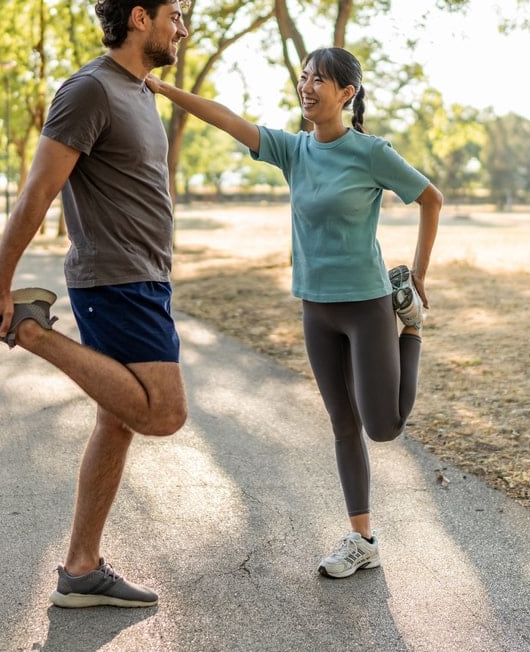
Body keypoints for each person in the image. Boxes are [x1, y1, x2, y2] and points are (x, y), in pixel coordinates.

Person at [146, 47, 443, 579]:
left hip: (369, 305)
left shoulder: (371, 153)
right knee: (342, 424)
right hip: (316, 309)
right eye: (304, 78)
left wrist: (419, 276)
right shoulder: (293, 150)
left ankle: (412, 326)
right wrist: (166, 90)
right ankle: (362, 539)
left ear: (346, 94)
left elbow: (430, 198)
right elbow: (229, 120)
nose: (307, 87)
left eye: (320, 81)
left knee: (384, 427)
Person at [0, 0, 191, 608]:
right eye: (175, 16)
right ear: (140, 18)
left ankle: (81, 570)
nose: (182, 29)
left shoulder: (141, 92)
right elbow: (39, 190)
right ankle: (28, 330)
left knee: (118, 419)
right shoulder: (89, 90)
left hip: (145, 276)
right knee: (163, 414)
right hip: (116, 279)